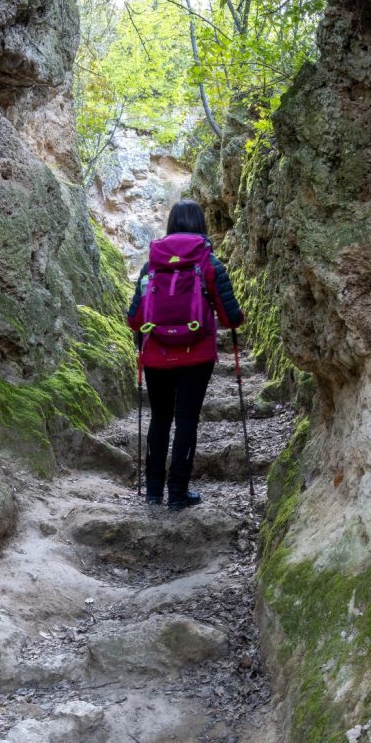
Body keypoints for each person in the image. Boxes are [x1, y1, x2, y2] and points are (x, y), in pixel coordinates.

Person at [127, 200, 244, 511]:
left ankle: (153, 491)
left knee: (160, 418)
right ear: (201, 225)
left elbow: (134, 318)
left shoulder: (151, 263)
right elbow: (231, 317)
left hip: (156, 355)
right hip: (197, 355)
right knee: (187, 420)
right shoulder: (210, 263)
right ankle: (178, 492)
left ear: (171, 224)